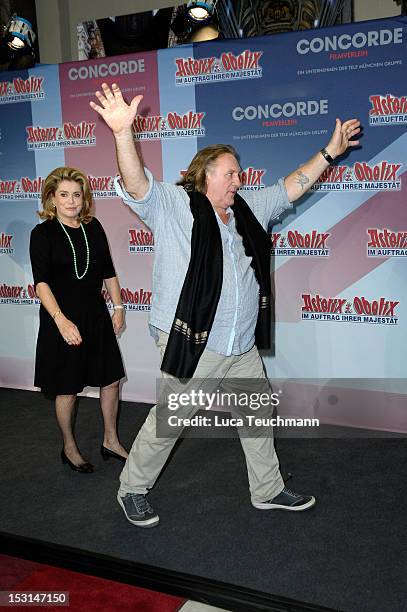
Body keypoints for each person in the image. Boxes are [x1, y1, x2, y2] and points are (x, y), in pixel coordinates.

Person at [90, 83, 360, 526]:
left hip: (241, 343)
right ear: (205, 175)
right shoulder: (175, 205)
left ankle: (268, 489)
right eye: (231, 173)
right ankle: (132, 489)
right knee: (170, 420)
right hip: (198, 343)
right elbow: (138, 184)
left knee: (257, 415)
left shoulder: (246, 209)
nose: (239, 179)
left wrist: (328, 154)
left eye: (239, 173)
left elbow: (292, 185)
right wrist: (123, 134)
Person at [29, 166, 128, 473]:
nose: (71, 201)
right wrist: (60, 320)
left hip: (96, 315)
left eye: (77, 194)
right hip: (62, 319)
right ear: (51, 198)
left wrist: (119, 307)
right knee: (67, 387)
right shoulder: (42, 234)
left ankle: (110, 440)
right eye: (64, 195)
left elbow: (108, 271)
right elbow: (41, 283)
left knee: (111, 380)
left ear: (84, 198)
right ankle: (69, 446)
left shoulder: (93, 227)